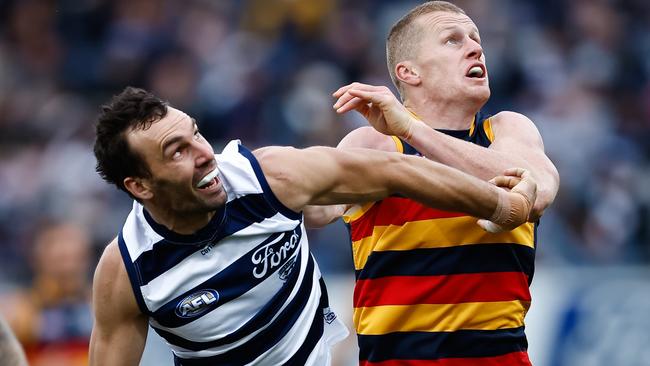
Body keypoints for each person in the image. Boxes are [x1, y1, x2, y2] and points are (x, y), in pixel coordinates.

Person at [88, 87, 536, 365]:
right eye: (176, 151)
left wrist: (502, 205)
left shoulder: (268, 178)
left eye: (196, 134)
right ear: (140, 185)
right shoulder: (128, 270)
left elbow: (393, 171)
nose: (204, 153)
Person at [304, 1, 560, 365]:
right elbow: (314, 210)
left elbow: (533, 190)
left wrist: (413, 130)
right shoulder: (376, 145)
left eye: (476, 39)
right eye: (453, 40)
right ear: (409, 72)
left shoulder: (507, 129)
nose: (476, 48)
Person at [0, 221, 93, 366]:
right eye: (60, 259)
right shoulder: (20, 311)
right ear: (37, 259)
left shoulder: (99, 306)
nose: (67, 268)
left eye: (74, 258)